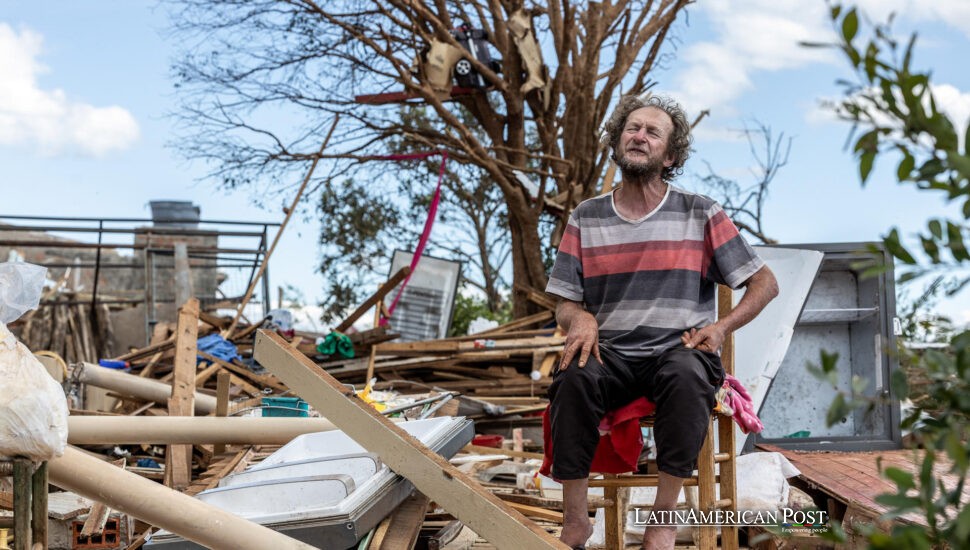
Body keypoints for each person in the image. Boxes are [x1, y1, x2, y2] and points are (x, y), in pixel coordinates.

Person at [545, 94, 779, 550]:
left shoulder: (700, 211)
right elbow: (564, 303)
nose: (640, 136)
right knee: (572, 377)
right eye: (632, 129)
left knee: (688, 374)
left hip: (678, 351)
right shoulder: (586, 216)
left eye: (653, 132)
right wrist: (581, 318)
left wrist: (723, 326)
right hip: (610, 354)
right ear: (616, 143)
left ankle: (663, 520)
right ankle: (575, 520)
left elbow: (765, 283)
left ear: (669, 155)